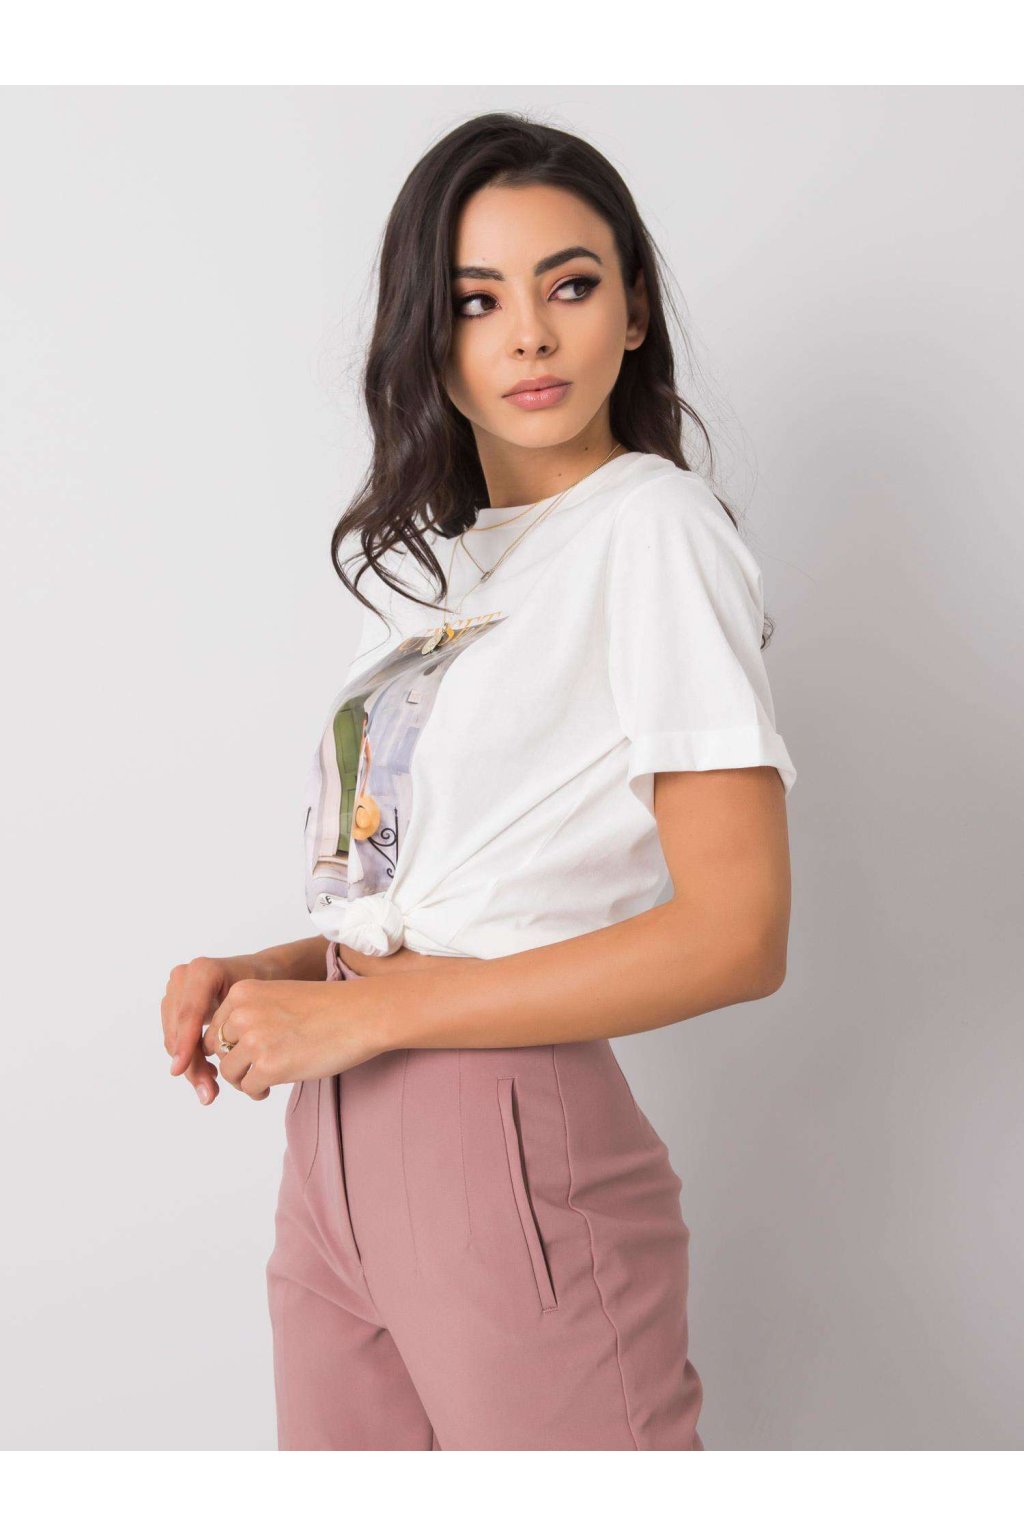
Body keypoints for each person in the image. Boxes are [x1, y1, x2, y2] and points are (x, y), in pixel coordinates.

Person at [161, 111, 797, 1451]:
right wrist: (279, 972)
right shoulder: (441, 568)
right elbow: (465, 887)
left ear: (633, 312)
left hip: (499, 1128)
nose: (529, 337)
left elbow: (738, 935)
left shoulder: (653, 528)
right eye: (476, 300)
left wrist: (373, 1020)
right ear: (427, 336)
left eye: (570, 285)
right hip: (333, 1148)